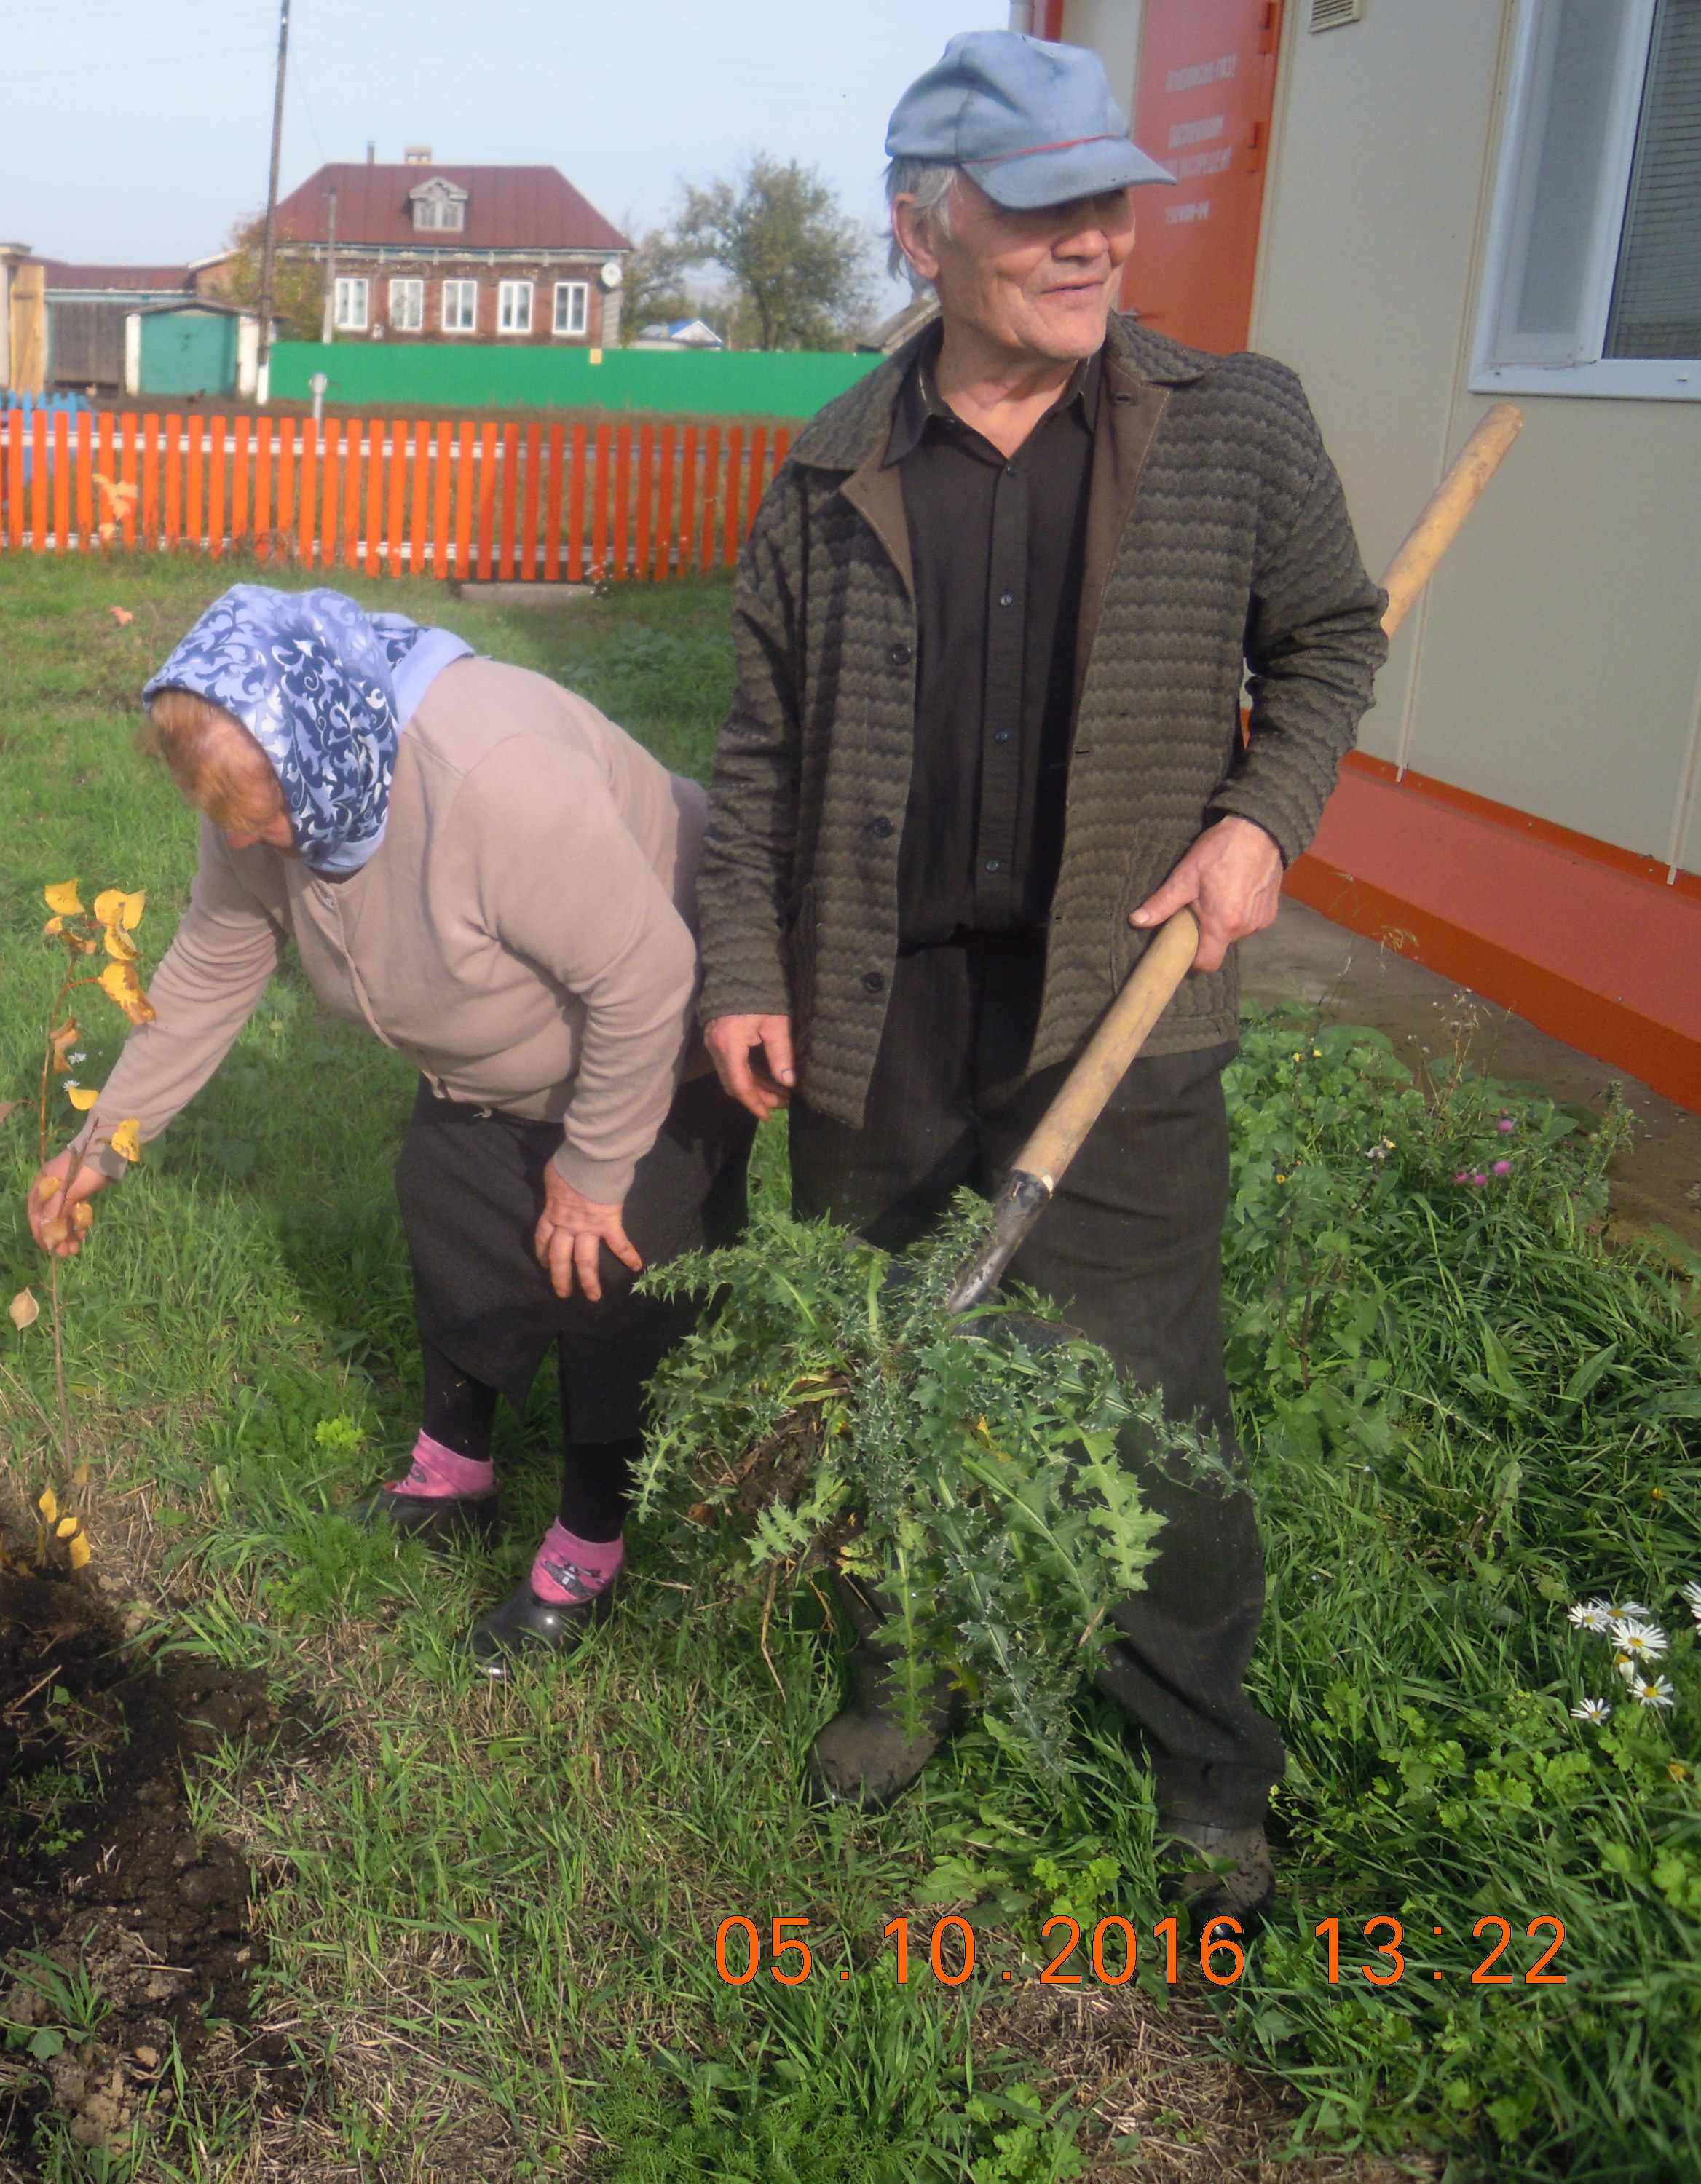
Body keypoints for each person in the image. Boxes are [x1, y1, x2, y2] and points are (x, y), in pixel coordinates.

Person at [696, 31, 1386, 1915]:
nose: (1095, 237)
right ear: (926, 228)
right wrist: (744, 964)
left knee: (1154, 1405)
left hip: (1125, 1002)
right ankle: (900, 1678)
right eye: (1043, 204)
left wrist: (1262, 823)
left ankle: (1206, 1770)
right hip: (874, 1015)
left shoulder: (1234, 424)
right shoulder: (833, 467)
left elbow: (1330, 644)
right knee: (884, 1375)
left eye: (1112, 196)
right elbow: (758, 750)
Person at [26, 585, 751, 1672]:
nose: (254, 839)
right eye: (229, 820)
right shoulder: (266, 781)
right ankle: (452, 1474)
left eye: (267, 812)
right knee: (450, 1212)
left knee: (606, 1281)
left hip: (652, 1042)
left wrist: (596, 1167)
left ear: (325, 734)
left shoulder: (491, 777)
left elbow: (646, 977)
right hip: (479, 1061)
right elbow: (211, 969)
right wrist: (101, 1145)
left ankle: (591, 1543)